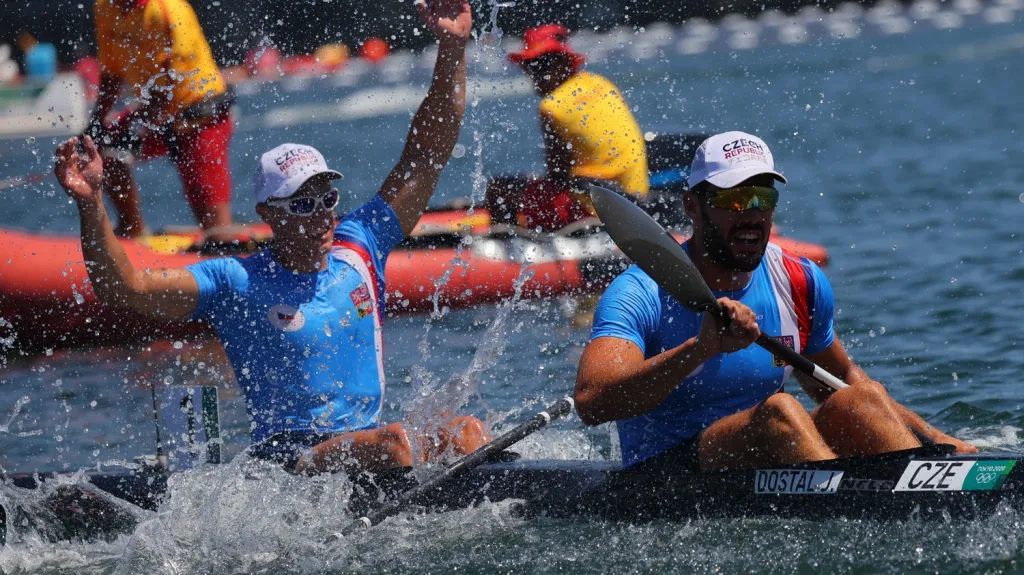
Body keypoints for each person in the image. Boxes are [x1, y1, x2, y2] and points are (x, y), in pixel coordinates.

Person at [55, 0, 487, 475]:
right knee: (395, 445)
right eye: (302, 204)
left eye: (327, 198)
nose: (321, 215)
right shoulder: (235, 280)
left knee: (466, 431)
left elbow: (426, 155)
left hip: (370, 448)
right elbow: (125, 287)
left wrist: (451, 47)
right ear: (269, 215)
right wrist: (90, 203)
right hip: (285, 465)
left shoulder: (361, 245)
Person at [574, 131, 976, 472]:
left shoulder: (798, 281)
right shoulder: (640, 292)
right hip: (663, 469)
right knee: (780, 412)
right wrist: (700, 350)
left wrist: (940, 441)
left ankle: (928, 488)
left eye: (762, 198)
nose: (751, 214)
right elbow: (592, 403)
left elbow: (838, 383)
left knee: (862, 399)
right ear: (692, 207)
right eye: (735, 199)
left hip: (764, 451)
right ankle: (848, 512)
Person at [88, 0, 235, 239]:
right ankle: (131, 231)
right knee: (105, 149)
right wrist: (95, 126)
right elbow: (111, 72)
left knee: (215, 227)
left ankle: (221, 241)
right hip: (154, 109)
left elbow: (172, 78)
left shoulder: (170, 10)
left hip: (200, 114)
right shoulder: (105, 7)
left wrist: (140, 130)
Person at [508, 24, 648, 230]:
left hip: (599, 205)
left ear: (565, 63)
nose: (537, 75)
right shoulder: (599, 82)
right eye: (531, 66)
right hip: (637, 195)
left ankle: (504, 242)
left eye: (543, 65)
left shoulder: (551, 106)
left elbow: (557, 174)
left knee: (504, 189)